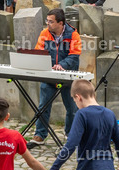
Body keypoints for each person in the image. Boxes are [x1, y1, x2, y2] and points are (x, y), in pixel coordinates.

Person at [29, 8, 82, 147]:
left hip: (68, 77)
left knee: (72, 108)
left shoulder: (73, 35)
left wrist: (62, 65)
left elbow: (74, 56)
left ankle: (70, 135)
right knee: (43, 106)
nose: (48, 24)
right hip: (49, 76)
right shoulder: (44, 33)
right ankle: (40, 135)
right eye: (47, 21)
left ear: (60, 23)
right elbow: (38, 52)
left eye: (51, 21)